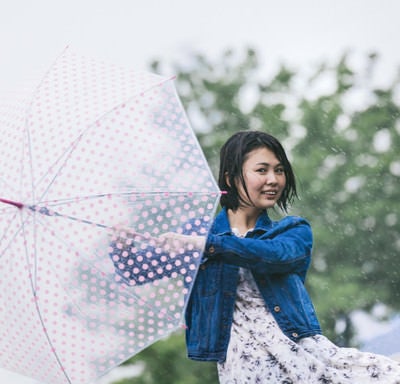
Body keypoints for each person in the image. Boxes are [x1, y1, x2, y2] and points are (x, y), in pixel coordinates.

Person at [111, 130, 400, 383]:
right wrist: (121, 247)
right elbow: (137, 272)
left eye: (279, 170)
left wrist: (205, 246)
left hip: (305, 360)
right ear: (232, 177)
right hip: (244, 368)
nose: (273, 180)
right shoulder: (198, 233)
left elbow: (274, 255)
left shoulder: (292, 231)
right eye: (262, 170)